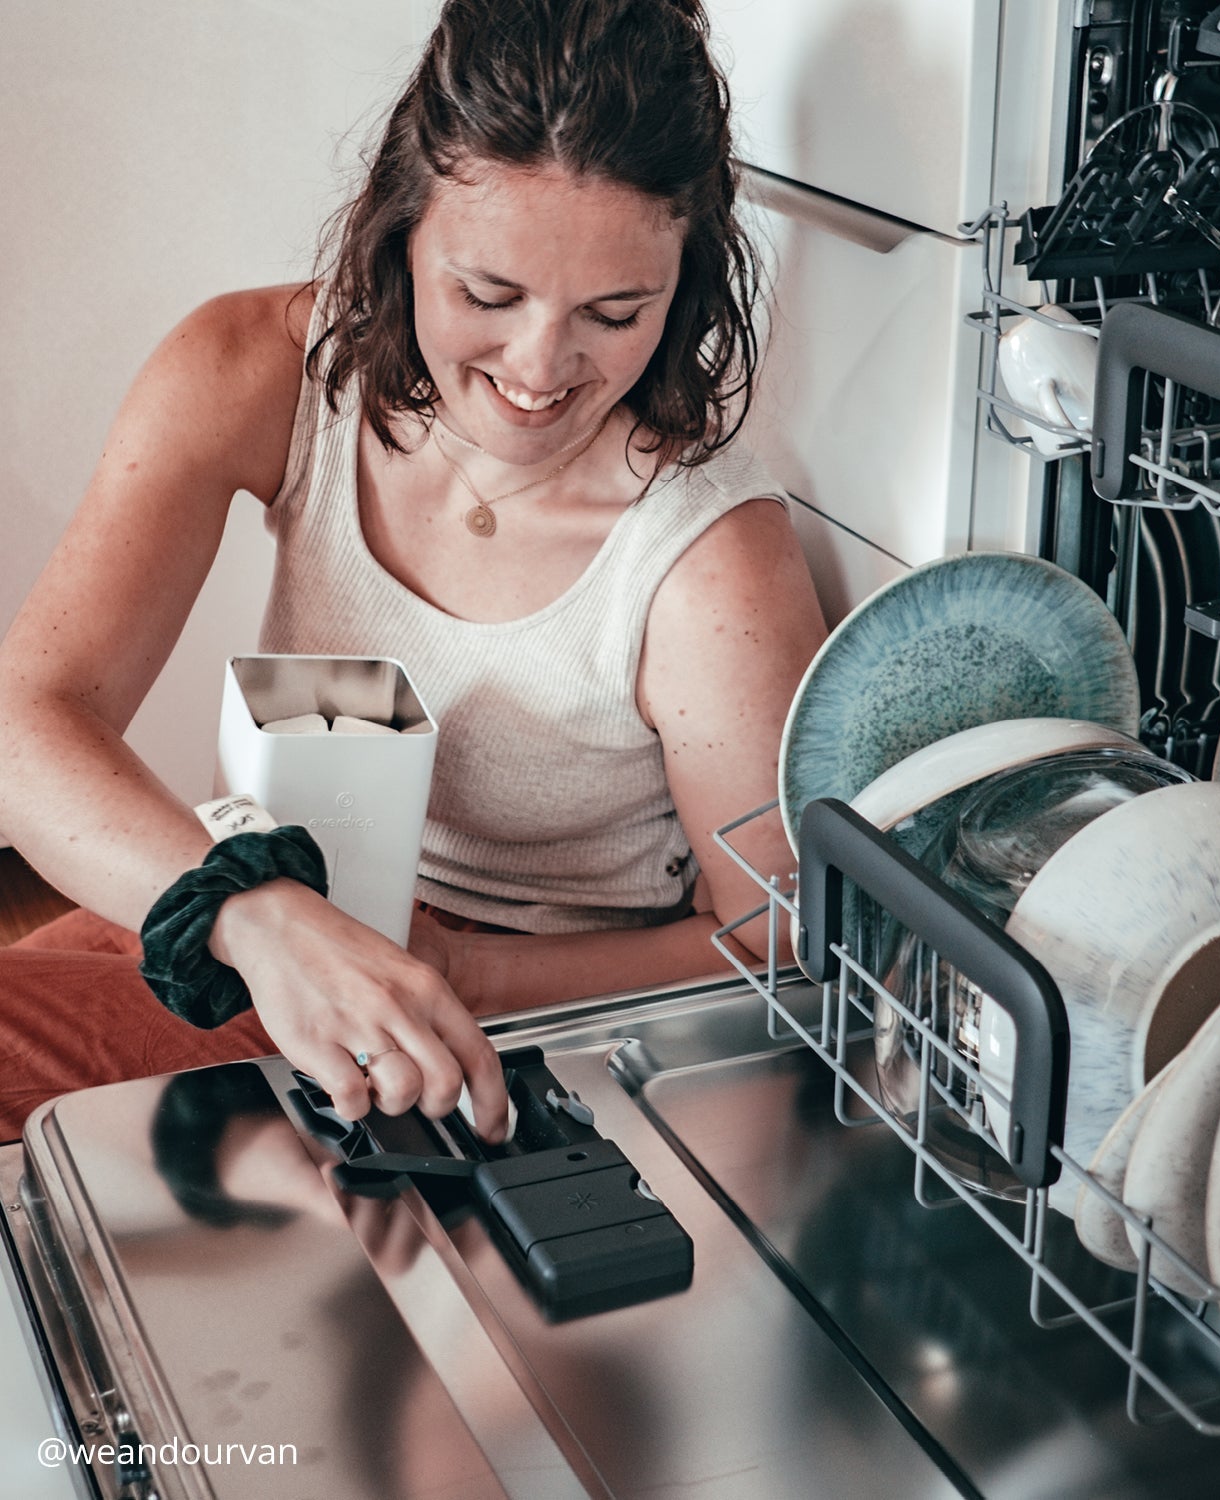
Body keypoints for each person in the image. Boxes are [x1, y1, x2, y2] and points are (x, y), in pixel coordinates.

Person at [0, 0, 826, 1144]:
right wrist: (254, 909)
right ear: (398, 230)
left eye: (614, 313)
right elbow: (29, 719)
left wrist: (461, 975)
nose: (540, 368)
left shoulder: (708, 557)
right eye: (488, 297)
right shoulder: (264, 370)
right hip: (256, 902)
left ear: (682, 287)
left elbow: (777, 938)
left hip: (491, 1021)